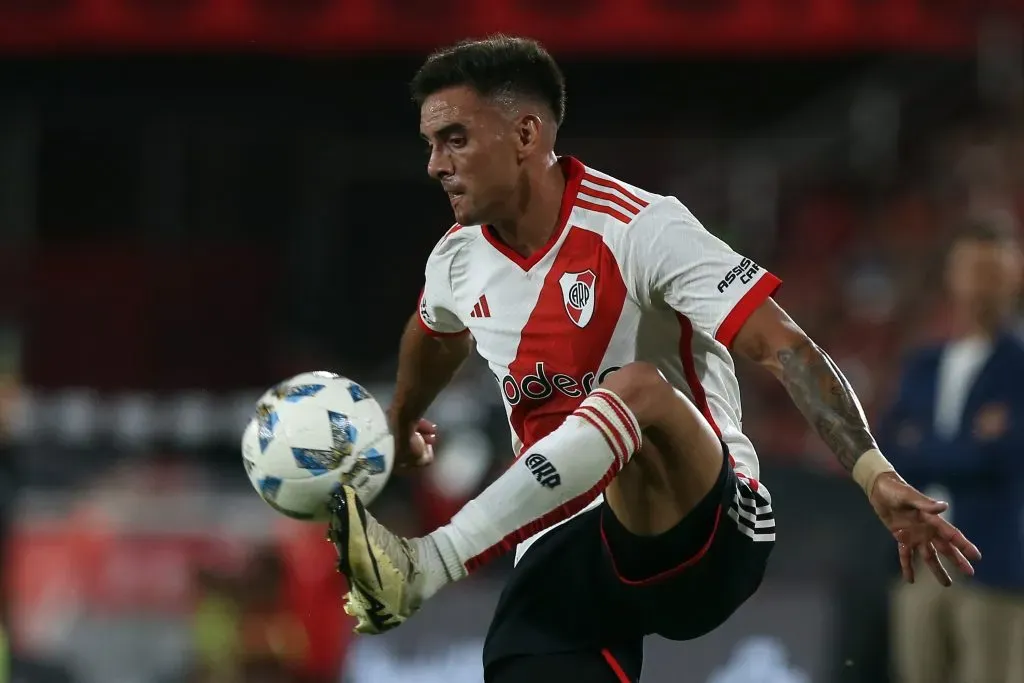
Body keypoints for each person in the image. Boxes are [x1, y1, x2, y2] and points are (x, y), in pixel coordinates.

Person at [327, 35, 981, 683]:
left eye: (455, 140)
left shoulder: (641, 227)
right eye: (431, 144)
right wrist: (402, 418)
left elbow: (784, 346)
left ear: (526, 134)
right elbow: (435, 333)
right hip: (570, 546)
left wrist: (873, 473)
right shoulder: (456, 260)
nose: (435, 165)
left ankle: (427, 563)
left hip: (706, 526)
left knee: (634, 386)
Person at [880, 212, 1024, 683]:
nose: (983, 286)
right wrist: (970, 443)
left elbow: (1005, 456)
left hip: (994, 564)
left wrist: (928, 447)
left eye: (994, 272)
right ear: (952, 276)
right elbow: (891, 453)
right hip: (922, 558)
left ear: (1015, 277)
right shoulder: (924, 364)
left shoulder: (1018, 365)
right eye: (973, 270)